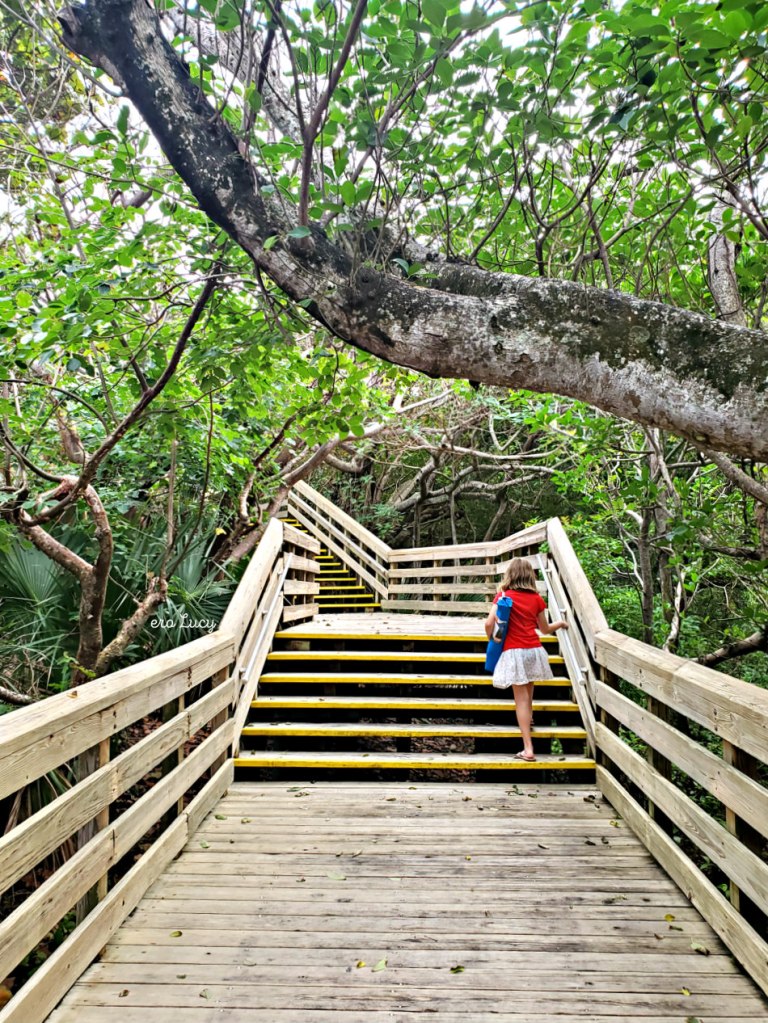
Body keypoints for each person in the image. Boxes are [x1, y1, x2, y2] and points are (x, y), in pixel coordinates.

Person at [484, 557, 569, 762]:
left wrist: (493, 639)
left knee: (521, 700)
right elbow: (545, 629)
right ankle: (528, 720)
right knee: (528, 695)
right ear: (530, 576)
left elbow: (488, 624)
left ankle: (528, 748)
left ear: (510, 575)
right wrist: (561, 623)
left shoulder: (503, 596)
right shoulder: (537, 599)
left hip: (514, 652)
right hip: (534, 650)